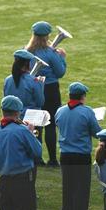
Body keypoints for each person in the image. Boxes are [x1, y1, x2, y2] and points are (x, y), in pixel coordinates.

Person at [55, 82, 102, 210]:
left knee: (67, 192)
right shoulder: (87, 112)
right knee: (81, 194)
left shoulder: (60, 111)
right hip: (81, 157)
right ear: (83, 96)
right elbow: (97, 133)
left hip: (65, 156)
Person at [25, 21, 67, 167]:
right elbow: (60, 72)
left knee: (36, 123)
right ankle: (53, 159)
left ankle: (37, 159)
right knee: (50, 125)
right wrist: (62, 57)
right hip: (50, 89)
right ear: (47, 36)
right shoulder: (50, 52)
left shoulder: (26, 51)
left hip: (33, 87)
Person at [4, 49, 46, 166]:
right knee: (33, 143)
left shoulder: (8, 80)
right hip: (32, 118)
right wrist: (41, 85)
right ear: (27, 64)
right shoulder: (34, 81)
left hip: (13, 117)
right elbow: (40, 101)